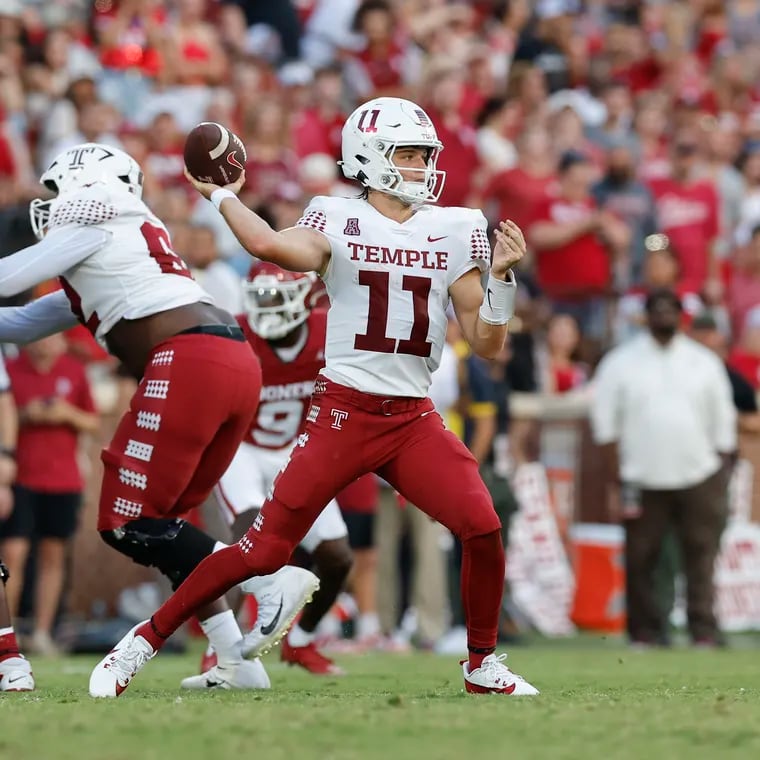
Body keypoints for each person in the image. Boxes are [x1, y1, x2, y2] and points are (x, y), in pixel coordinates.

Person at [89, 96, 540, 698]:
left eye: (425, 155)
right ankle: (140, 643)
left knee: (482, 525)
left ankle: (481, 665)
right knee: (262, 551)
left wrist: (502, 281)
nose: (421, 167)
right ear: (370, 157)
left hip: (411, 418)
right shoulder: (336, 216)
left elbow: (485, 343)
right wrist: (222, 196)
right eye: (408, 154)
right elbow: (273, 248)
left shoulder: (456, 228)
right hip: (345, 411)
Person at [0, 142, 318, 691]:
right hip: (230, 361)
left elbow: (7, 280)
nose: (49, 205)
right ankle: (236, 661)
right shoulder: (112, 245)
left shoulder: (98, 214)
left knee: (126, 521)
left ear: (83, 182)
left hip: (190, 358)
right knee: (166, 530)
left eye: (55, 191)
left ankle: (263, 581)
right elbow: (20, 321)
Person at [206, 261, 352, 677]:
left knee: (337, 558)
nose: (268, 308)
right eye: (261, 299)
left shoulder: (331, 331)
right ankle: (222, 650)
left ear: (305, 299)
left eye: (277, 297)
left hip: (298, 450)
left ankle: (300, 642)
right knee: (247, 545)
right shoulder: (235, 334)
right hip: (243, 450)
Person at [591, 288, 737, 647]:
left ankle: (703, 629)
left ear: (681, 315)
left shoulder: (704, 362)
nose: (664, 315)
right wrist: (617, 476)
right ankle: (645, 631)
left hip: (699, 473)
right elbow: (605, 425)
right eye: (657, 309)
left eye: (671, 309)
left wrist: (721, 472)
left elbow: (723, 423)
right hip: (640, 474)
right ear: (645, 316)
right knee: (642, 558)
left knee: (701, 555)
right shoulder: (620, 362)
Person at [1, 333, 98, 657]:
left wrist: (65, 414)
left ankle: (42, 633)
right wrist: (25, 415)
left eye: (50, 337)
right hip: (20, 478)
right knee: (12, 554)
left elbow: (93, 421)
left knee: (52, 557)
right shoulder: (10, 370)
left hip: (63, 480)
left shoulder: (74, 371)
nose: (43, 342)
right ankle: (7, 635)